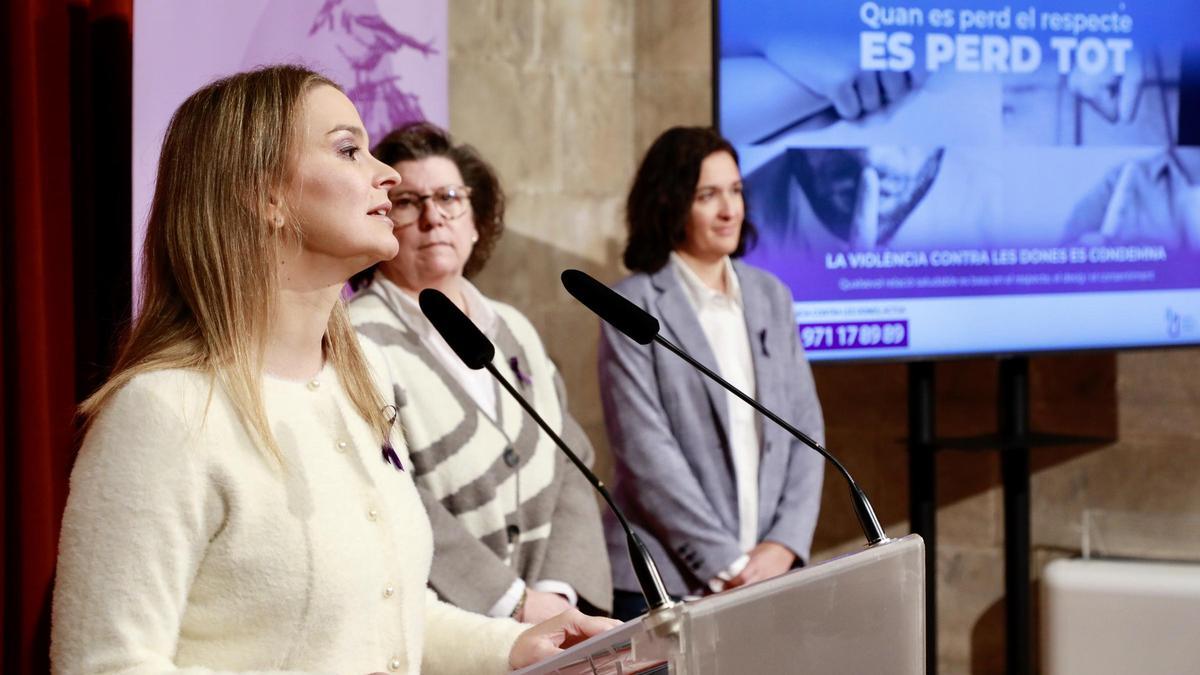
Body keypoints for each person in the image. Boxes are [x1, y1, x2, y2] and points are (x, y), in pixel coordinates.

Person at [50, 65, 616, 674]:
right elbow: (106, 664)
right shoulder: (164, 411)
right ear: (262, 195)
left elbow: (388, 617)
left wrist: (509, 647)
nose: (387, 175)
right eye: (348, 149)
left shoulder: (360, 375)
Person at [348, 122, 612, 623]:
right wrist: (512, 603)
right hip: (450, 627)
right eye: (408, 202)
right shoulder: (356, 340)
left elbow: (573, 463)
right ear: (382, 218)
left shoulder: (513, 326)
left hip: (558, 616)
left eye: (449, 198)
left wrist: (558, 592)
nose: (433, 218)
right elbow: (391, 495)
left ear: (475, 221)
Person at [598, 126, 826, 620]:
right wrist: (730, 567)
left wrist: (784, 544)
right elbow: (646, 453)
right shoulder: (631, 305)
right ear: (671, 203)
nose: (730, 210)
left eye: (736, 191)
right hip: (667, 581)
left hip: (769, 572)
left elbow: (806, 430)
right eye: (708, 195)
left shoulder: (771, 296)